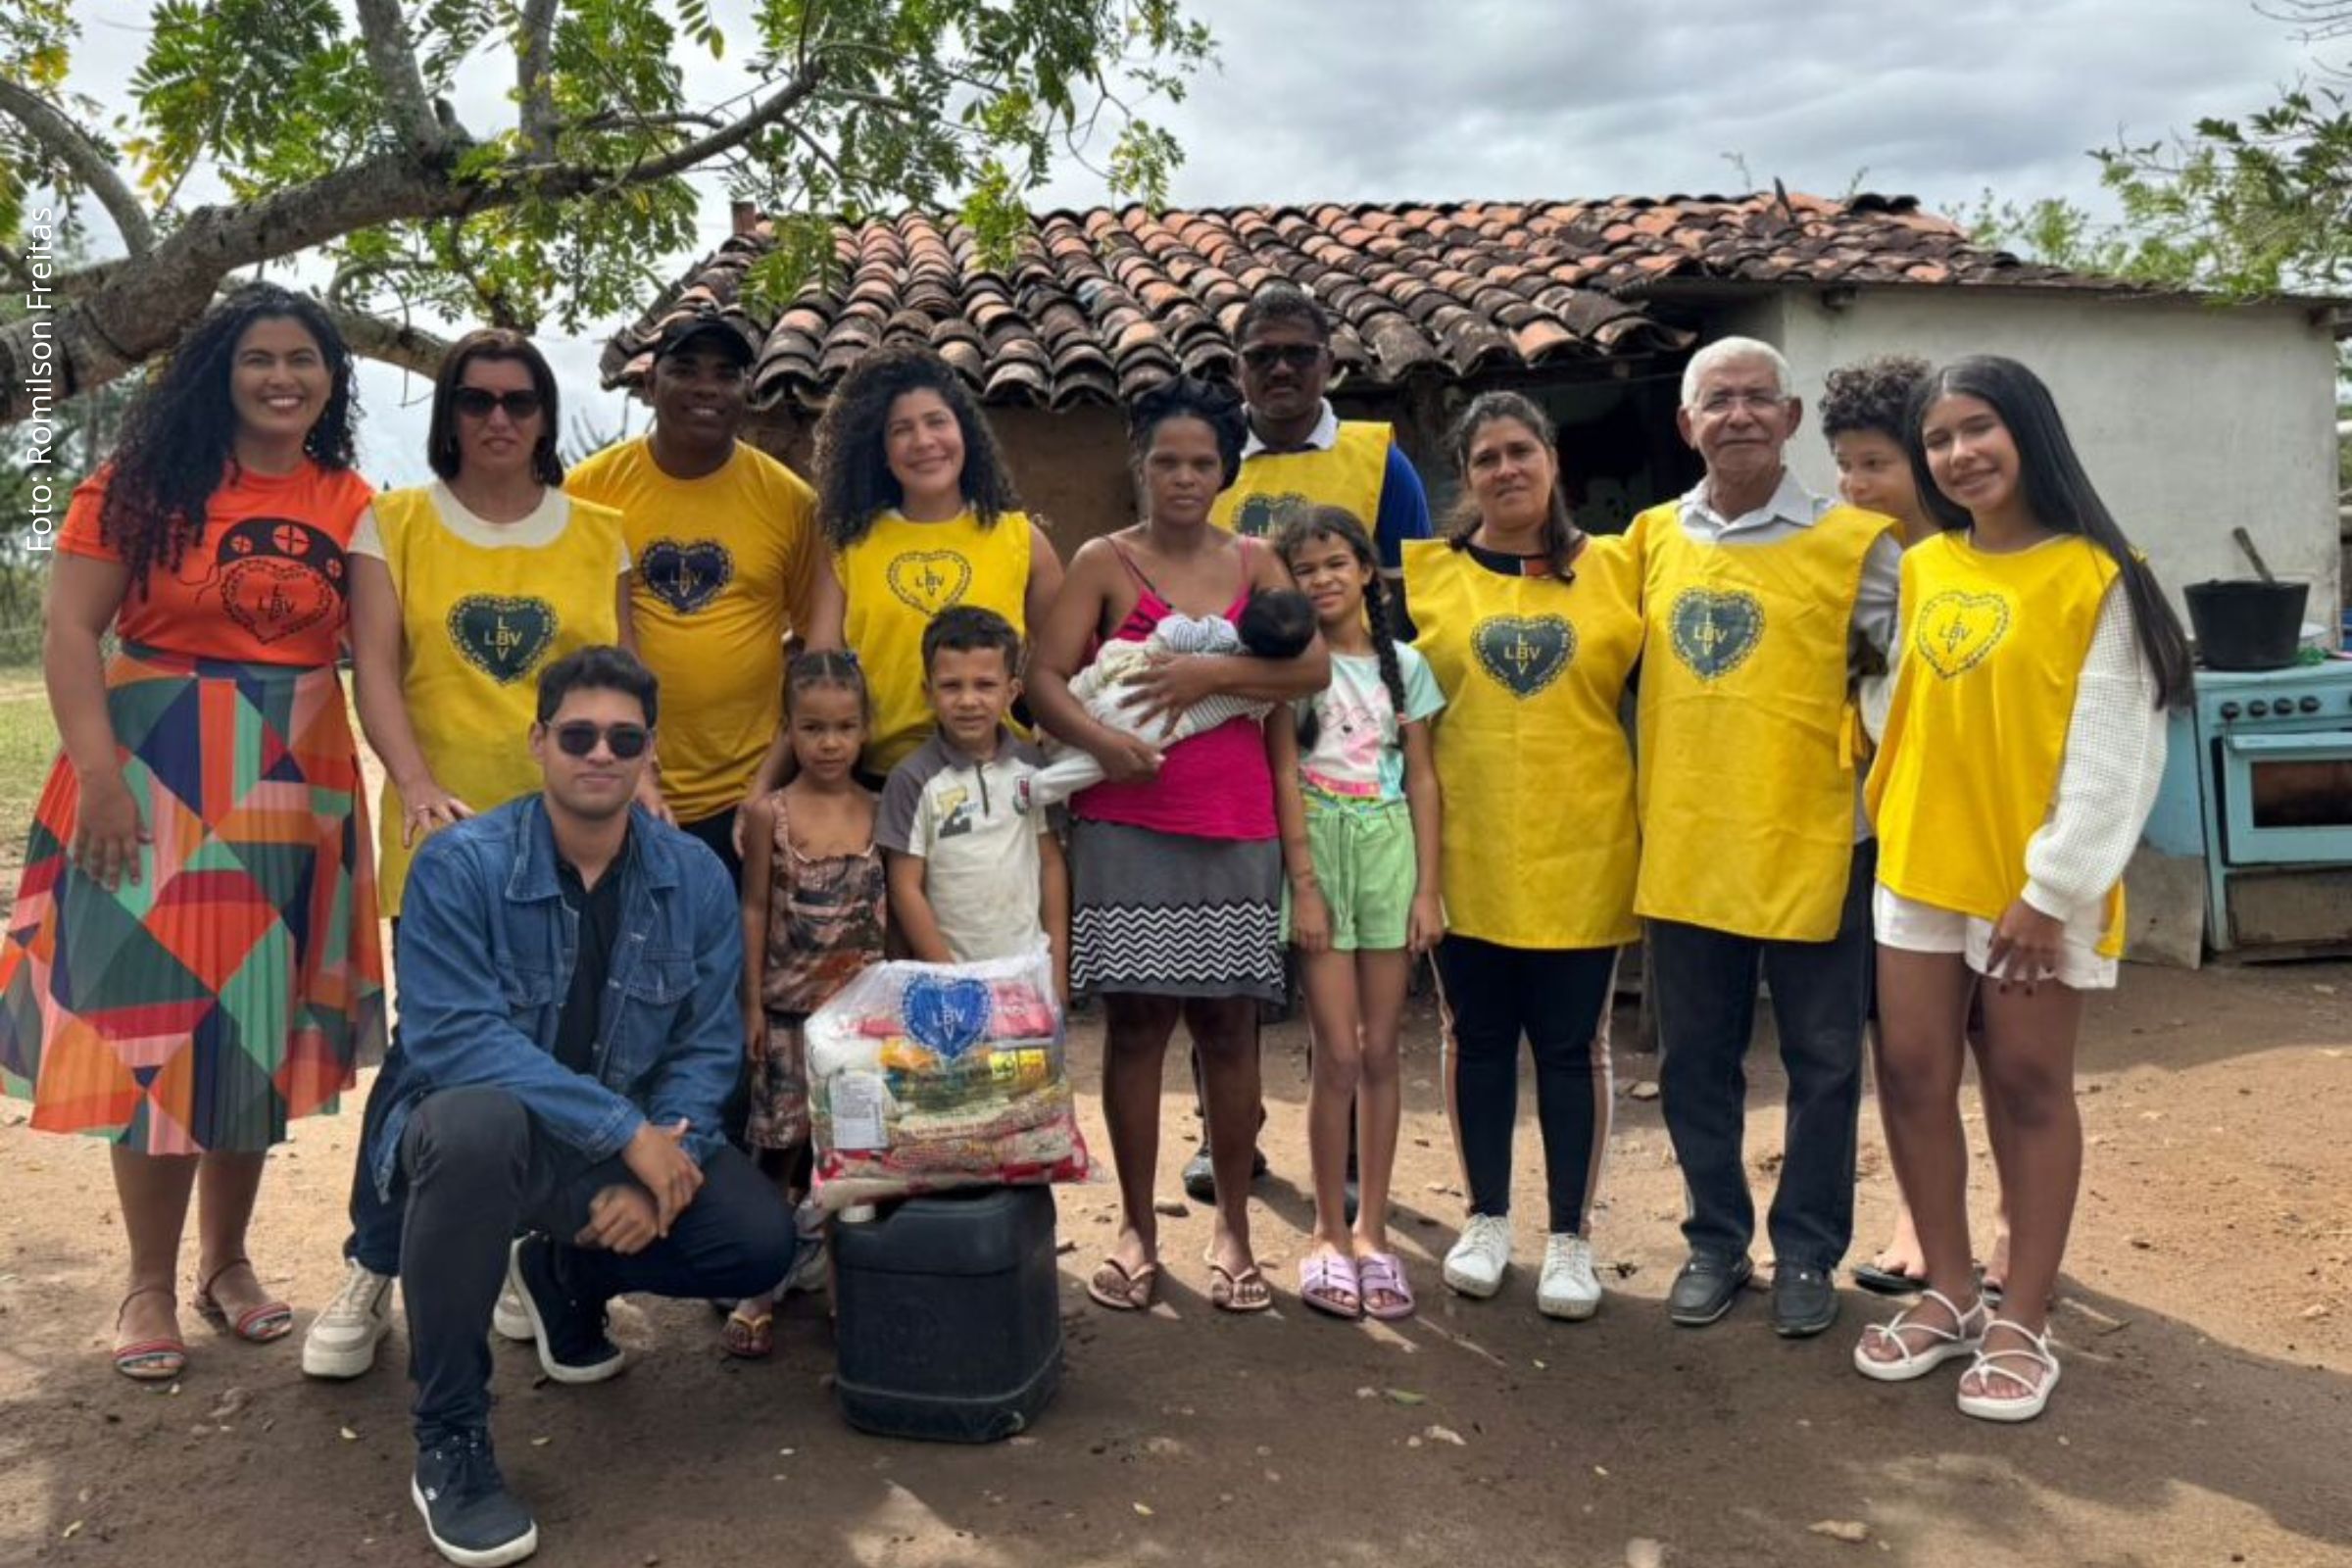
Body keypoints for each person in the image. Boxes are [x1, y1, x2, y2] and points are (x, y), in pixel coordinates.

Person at [0, 284, 385, 1381]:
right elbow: (69, 631)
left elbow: (379, 659)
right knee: (154, 1037)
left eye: (303, 359)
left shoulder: (352, 500)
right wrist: (98, 775)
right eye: (259, 358)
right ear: (219, 373)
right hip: (151, 778)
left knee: (250, 1033)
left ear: (330, 380)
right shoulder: (137, 486)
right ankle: (146, 1282)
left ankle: (227, 1264)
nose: (282, 378)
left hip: (292, 788)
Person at [382, 646, 794, 1566]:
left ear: (649, 751)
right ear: (539, 742)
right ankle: (450, 1434)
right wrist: (626, 1135)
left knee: (757, 1241)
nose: (600, 754)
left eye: (623, 738)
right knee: (473, 1124)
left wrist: (662, 1169)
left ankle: (566, 1275)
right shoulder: (461, 865)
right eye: (578, 736)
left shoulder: (693, 876)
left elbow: (705, 1047)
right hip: (483, 1146)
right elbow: (453, 1038)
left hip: (621, 1144)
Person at [1853, 356, 2183, 1423]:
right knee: (1911, 1074)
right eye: (1938, 439)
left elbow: (2116, 754)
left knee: (2031, 1087)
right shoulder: (1924, 567)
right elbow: (1909, 709)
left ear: (2029, 431)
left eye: (1977, 428)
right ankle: (1950, 1290)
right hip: (1919, 866)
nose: (1959, 454)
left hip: (2033, 885)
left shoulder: (2101, 576)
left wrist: (2053, 888)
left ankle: (2022, 1317)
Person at [305, 328, 639, 1381]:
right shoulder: (394, 523)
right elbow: (378, 673)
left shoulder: (601, 533)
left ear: (544, 416)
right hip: (447, 843)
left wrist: (647, 798)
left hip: (577, 837)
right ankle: (373, 1260)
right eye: (477, 399)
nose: (499, 418)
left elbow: (624, 690)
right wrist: (413, 785)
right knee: (432, 1057)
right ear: (449, 414)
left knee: (558, 1048)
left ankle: (502, 1252)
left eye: (519, 400)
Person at [1027, 374, 1329, 1315]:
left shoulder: (1257, 561)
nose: (1185, 478)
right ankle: (1136, 1229)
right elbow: (1044, 680)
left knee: (1230, 1030)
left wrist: (1204, 673)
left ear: (1226, 470)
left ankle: (1234, 1226)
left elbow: (1313, 666)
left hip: (1235, 828)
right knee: (1137, 1028)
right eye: (1167, 461)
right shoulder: (1102, 560)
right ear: (1141, 466)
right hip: (1127, 828)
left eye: (1202, 462)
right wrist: (1102, 743)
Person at [1627, 336, 1899, 1339]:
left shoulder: (1859, 547)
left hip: (1818, 834)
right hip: (1691, 837)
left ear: (1790, 421)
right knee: (1697, 1058)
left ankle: (1809, 1251)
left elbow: (1898, 690)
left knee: (1825, 1059)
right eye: (1718, 400)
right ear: (1686, 423)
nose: (1737, 414)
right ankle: (1714, 1241)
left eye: (1757, 398)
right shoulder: (1648, 541)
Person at [1190, 280, 1436, 1200]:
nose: (1283, 369)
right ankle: (1228, 1135)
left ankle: (1351, 1154)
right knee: (1234, 967)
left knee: (1345, 984)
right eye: (1264, 356)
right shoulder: (1215, 461)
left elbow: (1409, 594)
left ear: (1330, 362)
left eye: (1300, 352)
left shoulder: (1381, 464)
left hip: (1343, 743)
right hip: (1228, 735)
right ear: (1238, 369)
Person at [1404, 394, 1644, 1320]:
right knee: (1475, 1038)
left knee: (1572, 1046)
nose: (1506, 469)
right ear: (1466, 478)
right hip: (1464, 847)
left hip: (1583, 843)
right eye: (1486, 458)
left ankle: (1571, 1237)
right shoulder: (1426, 581)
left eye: (1521, 450)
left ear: (1553, 459)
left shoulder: (1620, 570)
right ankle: (1487, 1219)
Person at [1821, 355, 2014, 1303]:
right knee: (1904, 1046)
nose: (1856, 486)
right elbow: (1858, 694)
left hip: (1990, 837)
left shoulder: (1986, 562)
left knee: (2003, 1042)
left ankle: (2015, 1222)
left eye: (1876, 464)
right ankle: (1921, 1218)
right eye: (1844, 466)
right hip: (1890, 839)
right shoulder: (1858, 571)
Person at [567, 311, 839, 885]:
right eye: (686, 370)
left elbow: (814, 649)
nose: (706, 387)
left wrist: (772, 782)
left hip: (744, 795)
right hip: (615, 783)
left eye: (725, 374)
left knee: (739, 939)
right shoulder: (590, 492)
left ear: (747, 390)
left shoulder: (789, 502)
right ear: (649, 384)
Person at [1266, 507, 1445, 1320]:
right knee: (1335, 1053)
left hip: (1388, 852)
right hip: (1320, 850)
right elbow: (1282, 775)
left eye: (1336, 563)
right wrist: (1304, 884)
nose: (1322, 580)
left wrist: (1427, 889)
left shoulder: (1406, 666)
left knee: (1381, 1052)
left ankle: (1373, 1233)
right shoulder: (1288, 670)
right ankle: (1326, 1233)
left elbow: (1424, 780)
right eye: (1304, 569)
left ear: (1367, 570)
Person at [752, 343, 1064, 790]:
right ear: (879, 450)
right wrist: (763, 787)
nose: (923, 442)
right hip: (880, 787)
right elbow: (818, 679)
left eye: (937, 421)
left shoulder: (1021, 540)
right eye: (901, 430)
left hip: (999, 784)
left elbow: (1063, 671)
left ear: (964, 431)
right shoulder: (849, 548)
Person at [725, 650, 888, 1359]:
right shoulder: (771, 814)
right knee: (778, 1150)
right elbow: (754, 908)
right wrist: (752, 1006)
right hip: (789, 1013)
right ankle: (757, 1286)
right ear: (788, 730)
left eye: (844, 727)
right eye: (813, 728)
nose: (829, 743)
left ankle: (847, 1295)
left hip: (860, 1024)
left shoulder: (881, 810)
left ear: (865, 729)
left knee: (853, 1162)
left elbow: (896, 913)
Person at [879, 607, 1071, 990]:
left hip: (1028, 976)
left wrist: (1057, 971)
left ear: (1012, 692)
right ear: (928, 692)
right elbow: (904, 888)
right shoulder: (911, 779)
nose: (968, 700)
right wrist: (953, 980)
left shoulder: (1033, 769)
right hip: (949, 983)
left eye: (985, 685)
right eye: (951, 686)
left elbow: (1051, 865)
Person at [1031, 584, 1318, 805]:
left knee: (1090, 690)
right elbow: (1261, 712)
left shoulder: (1221, 631)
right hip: (1158, 723)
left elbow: (1171, 631)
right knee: (1108, 761)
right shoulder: (1262, 693)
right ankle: (1039, 787)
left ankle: (1045, 736)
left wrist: (1177, 623)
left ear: (1244, 617)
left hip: (1135, 676)